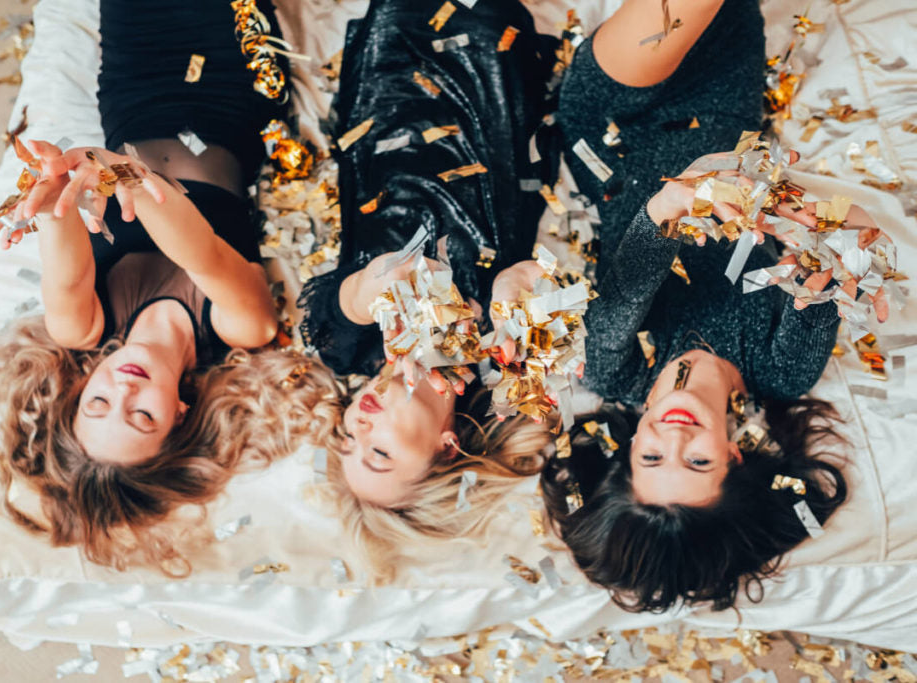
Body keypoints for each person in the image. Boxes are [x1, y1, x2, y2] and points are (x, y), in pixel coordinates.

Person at [0, 0, 337, 575]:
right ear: (178, 415)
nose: (124, 391)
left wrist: (48, 188)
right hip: (233, 92)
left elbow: (62, 243)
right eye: (141, 417)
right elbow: (195, 246)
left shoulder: (80, 327)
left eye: (98, 404)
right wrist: (120, 173)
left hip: (135, 88)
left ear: (79, 391)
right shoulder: (240, 331)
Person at [536, 0, 851, 611]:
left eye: (652, 457)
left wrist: (678, 201)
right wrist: (825, 242)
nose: (672, 437)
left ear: (627, 453)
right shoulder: (782, 372)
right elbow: (829, 258)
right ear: (734, 458)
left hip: (616, 131)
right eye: (697, 461)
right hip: (720, 103)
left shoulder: (614, 372)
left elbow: (628, 282)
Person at [296, 0, 556, 578]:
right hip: (490, 109)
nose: (358, 428)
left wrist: (382, 281)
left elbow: (344, 300)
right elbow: (544, 281)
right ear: (445, 448)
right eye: (379, 453)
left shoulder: (349, 350)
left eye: (347, 443)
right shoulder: (502, 372)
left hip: (388, 111)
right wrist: (519, 287)